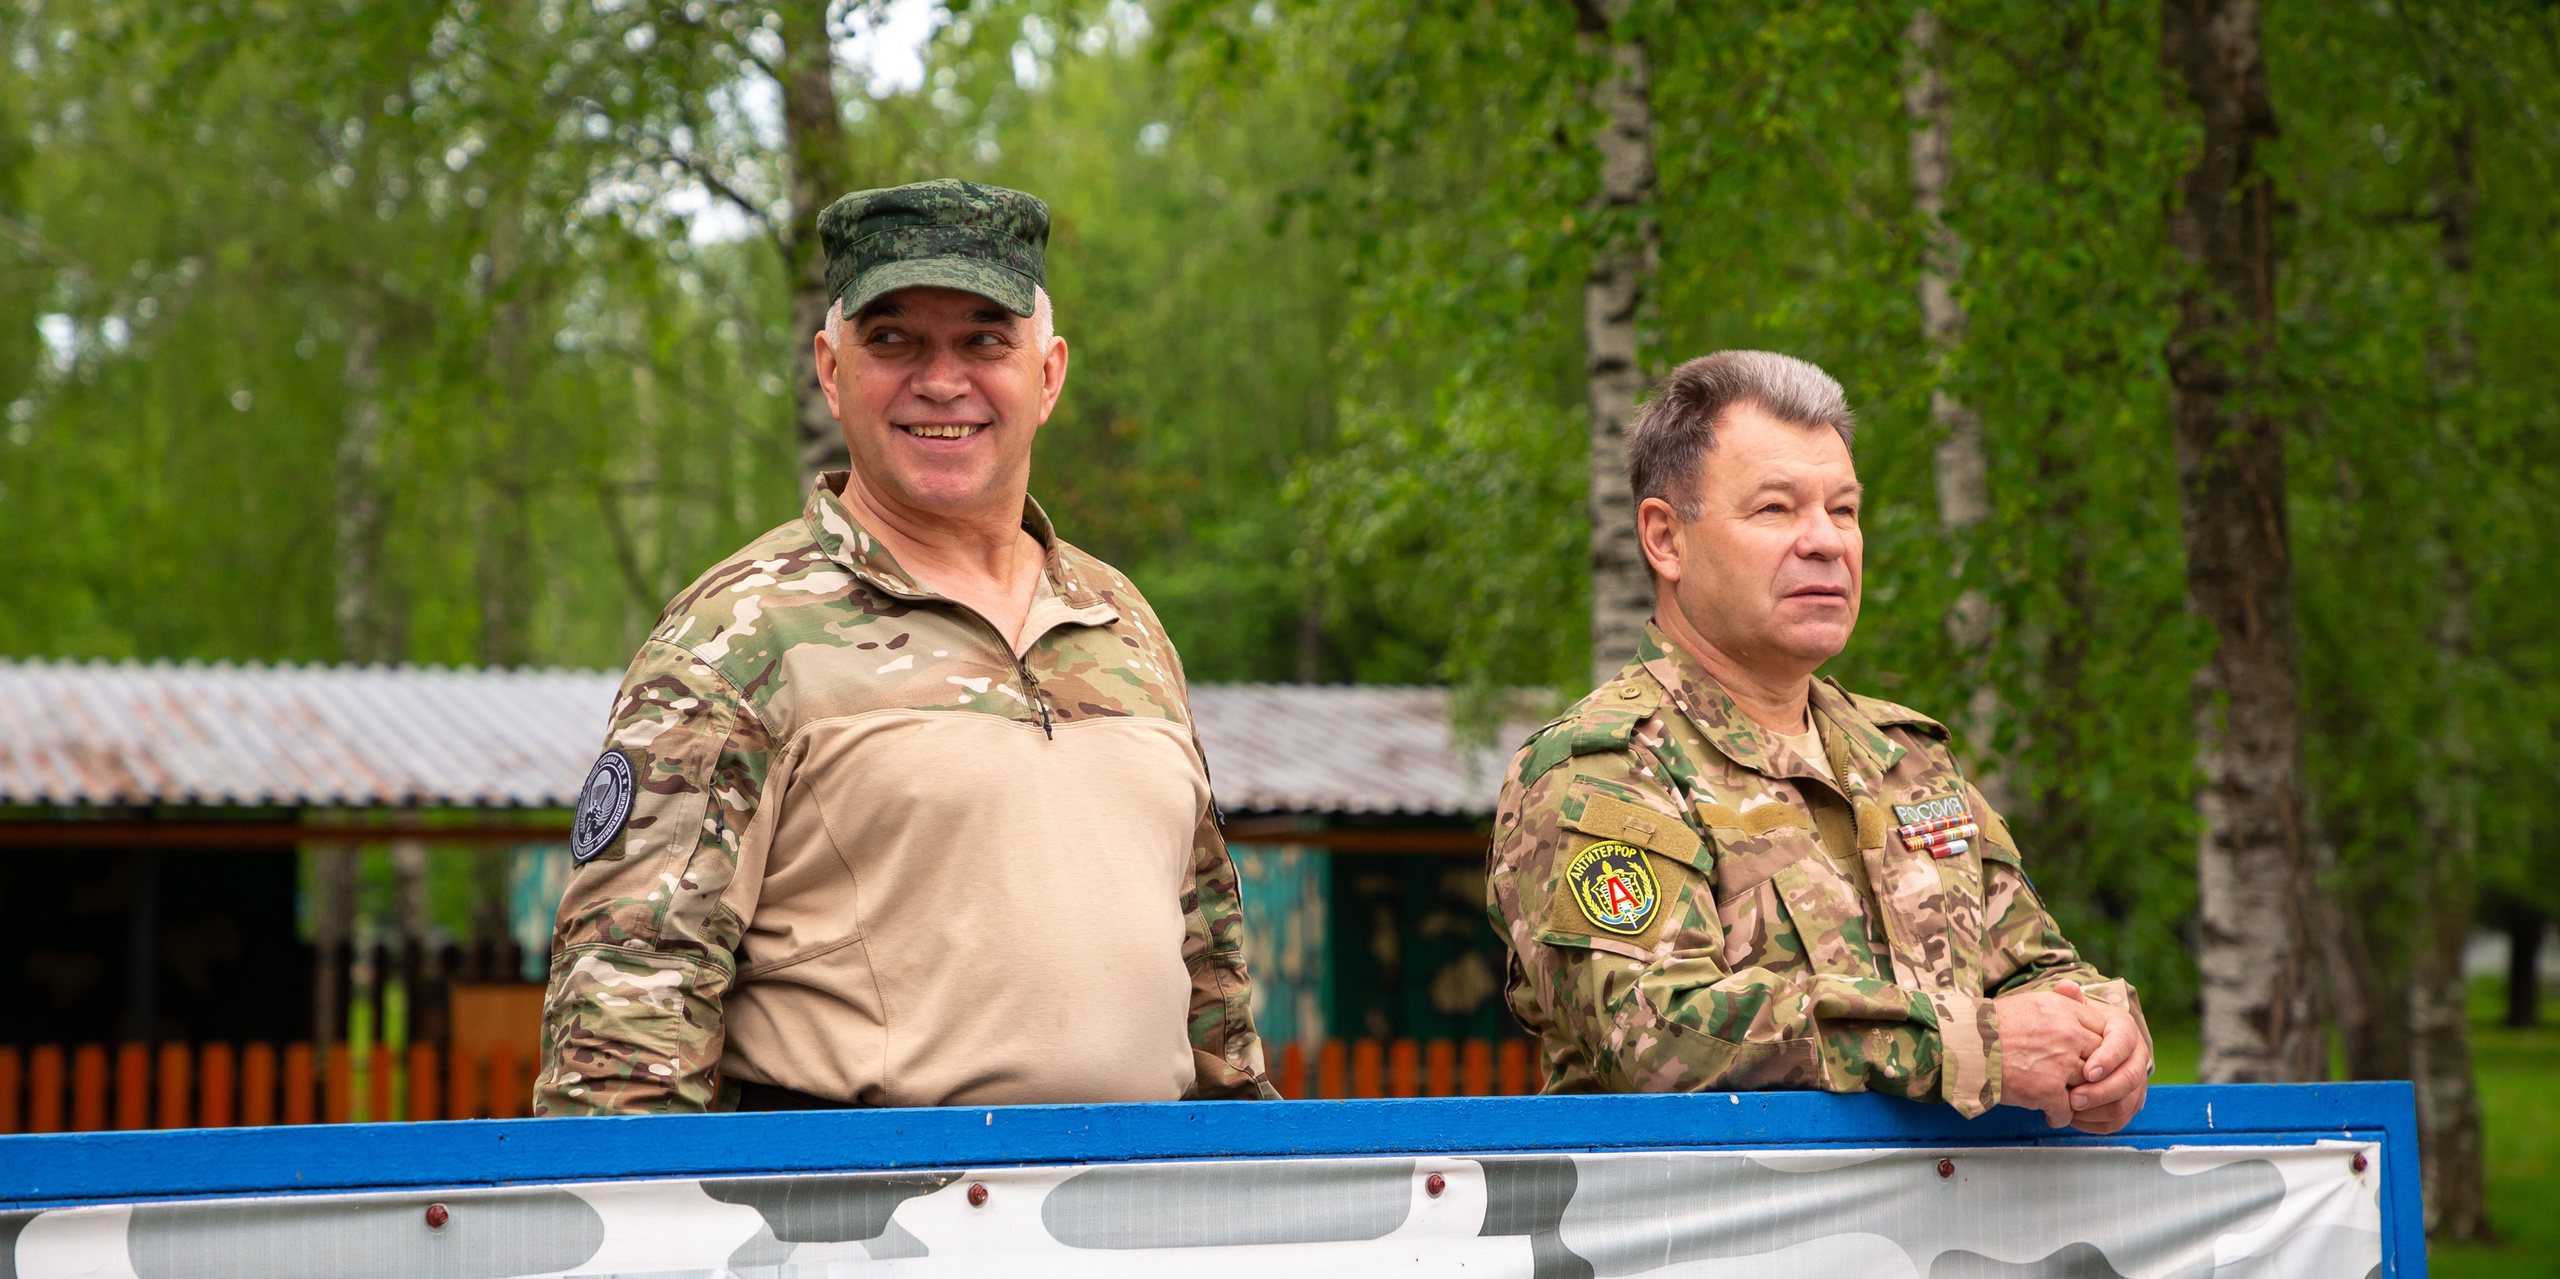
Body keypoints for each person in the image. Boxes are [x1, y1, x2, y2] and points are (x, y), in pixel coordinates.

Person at [535, 179, 1274, 1113]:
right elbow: (624, 1028)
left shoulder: (1120, 622)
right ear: (831, 370)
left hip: (1137, 1220)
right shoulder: (742, 633)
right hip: (862, 1230)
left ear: (1047, 375)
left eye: (983, 339)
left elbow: (1210, 966)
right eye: (893, 340)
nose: (941, 379)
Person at [1487, 350, 2151, 1130]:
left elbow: (2036, 970)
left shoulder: (1908, 759)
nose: (1827, 542)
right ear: (1666, 539)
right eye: (1776, 509)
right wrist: (1968, 1044)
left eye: (1843, 509)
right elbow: (1659, 1034)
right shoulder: (1600, 771)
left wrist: (2106, 1030)